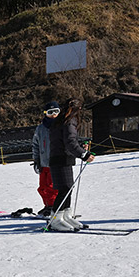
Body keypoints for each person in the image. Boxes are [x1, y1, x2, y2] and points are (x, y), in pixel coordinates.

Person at [48, 98, 95, 231]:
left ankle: (66, 216)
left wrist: (80, 147)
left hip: (62, 158)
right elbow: (69, 143)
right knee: (65, 188)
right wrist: (84, 154)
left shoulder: (61, 121)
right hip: (60, 158)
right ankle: (55, 219)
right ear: (78, 109)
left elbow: (66, 141)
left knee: (68, 188)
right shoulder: (69, 121)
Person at [31, 101, 59, 217]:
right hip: (44, 163)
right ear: (45, 113)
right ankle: (47, 205)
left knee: (53, 187)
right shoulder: (40, 128)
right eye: (50, 112)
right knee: (43, 188)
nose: (53, 115)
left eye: (56, 112)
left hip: (56, 162)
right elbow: (35, 145)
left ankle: (54, 207)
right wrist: (36, 160)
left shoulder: (61, 125)